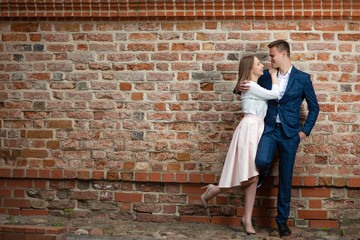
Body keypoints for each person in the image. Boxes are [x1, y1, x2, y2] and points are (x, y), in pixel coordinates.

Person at [238, 40, 319, 237]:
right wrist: (239, 85)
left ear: (284, 54)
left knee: (285, 178)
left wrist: (304, 132)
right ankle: (264, 173)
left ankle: (282, 222)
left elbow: (314, 108)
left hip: (291, 134)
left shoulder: (302, 78)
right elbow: (247, 89)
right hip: (269, 130)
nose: (269, 59)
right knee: (261, 161)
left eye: (272, 55)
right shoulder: (265, 76)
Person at [200, 54, 280, 235]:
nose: (262, 66)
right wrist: (274, 75)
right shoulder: (250, 85)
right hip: (250, 129)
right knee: (249, 175)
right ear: (250, 68)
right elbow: (275, 94)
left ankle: (246, 218)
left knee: (253, 175)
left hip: (258, 128)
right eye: (259, 64)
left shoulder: (253, 85)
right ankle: (213, 191)